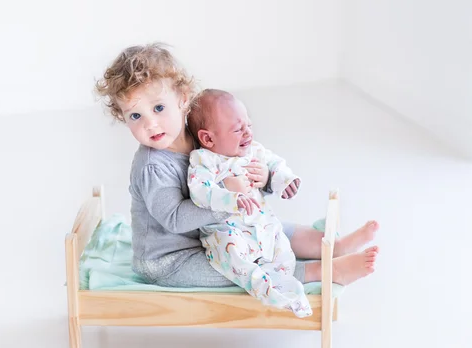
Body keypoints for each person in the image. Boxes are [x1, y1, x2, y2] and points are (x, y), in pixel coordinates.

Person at [94, 42, 379, 291]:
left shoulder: (201, 138)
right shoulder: (152, 166)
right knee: (240, 266)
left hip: (214, 232)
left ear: (182, 99)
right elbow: (175, 219)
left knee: (269, 228)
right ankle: (323, 271)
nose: (149, 124)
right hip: (173, 258)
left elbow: (241, 163)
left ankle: (331, 246)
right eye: (135, 115)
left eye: (158, 108)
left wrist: (264, 177)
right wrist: (229, 201)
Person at [186, 89, 314, 316]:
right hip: (225, 230)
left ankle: (283, 281)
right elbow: (200, 192)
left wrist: (282, 180)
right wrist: (229, 194)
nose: (248, 133)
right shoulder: (204, 160)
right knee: (234, 255)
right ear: (208, 138)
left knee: (282, 249)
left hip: (261, 223)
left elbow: (275, 164)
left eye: (249, 126)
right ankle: (266, 289)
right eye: (237, 129)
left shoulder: (254, 151)